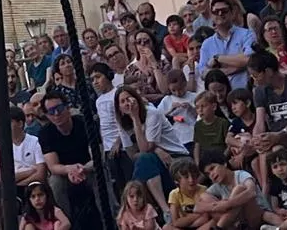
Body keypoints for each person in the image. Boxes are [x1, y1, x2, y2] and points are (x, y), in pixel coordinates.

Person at [115, 86, 188, 214]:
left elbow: (144, 149)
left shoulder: (151, 113)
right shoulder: (122, 122)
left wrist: (135, 118)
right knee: (143, 162)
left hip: (175, 157)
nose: (127, 103)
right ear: (119, 109)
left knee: (144, 160)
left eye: (129, 99)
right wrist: (156, 150)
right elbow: (132, 154)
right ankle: (160, 211)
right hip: (154, 160)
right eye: (123, 101)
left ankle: (152, 211)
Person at [35, 90, 97, 228]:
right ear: (47, 116)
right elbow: (53, 166)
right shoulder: (45, 133)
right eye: (51, 111)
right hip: (65, 174)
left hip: (88, 169)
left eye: (59, 108)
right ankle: (66, 224)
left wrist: (82, 169)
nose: (56, 114)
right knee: (55, 182)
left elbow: (97, 157)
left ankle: (111, 217)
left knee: (100, 174)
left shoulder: (85, 123)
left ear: (67, 108)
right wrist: (70, 169)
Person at [195, 152, 265, 229]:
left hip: (257, 216)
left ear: (224, 164)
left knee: (239, 189)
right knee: (205, 196)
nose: (211, 174)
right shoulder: (217, 185)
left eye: (212, 168)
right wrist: (216, 206)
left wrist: (227, 204)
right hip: (237, 222)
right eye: (208, 174)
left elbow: (251, 192)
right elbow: (197, 207)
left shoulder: (241, 174)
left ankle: (219, 227)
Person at [197, 0, 254, 90]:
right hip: (218, 98)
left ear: (232, 13)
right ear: (212, 15)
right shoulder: (207, 44)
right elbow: (203, 73)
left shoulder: (246, 34)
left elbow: (249, 60)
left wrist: (218, 58)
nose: (220, 14)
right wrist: (236, 66)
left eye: (224, 11)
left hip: (245, 92)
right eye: (216, 11)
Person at [165, 159, 205, 230]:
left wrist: (187, 220)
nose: (191, 180)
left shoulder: (203, 190)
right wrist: (198, 215)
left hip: (202, 225)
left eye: (193, 176)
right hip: (185, 226)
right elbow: (176, 222)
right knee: (166, 227)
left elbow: (206, 217)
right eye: (186, 177)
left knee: (212, 221)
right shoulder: (174, 194)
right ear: (177, 180)